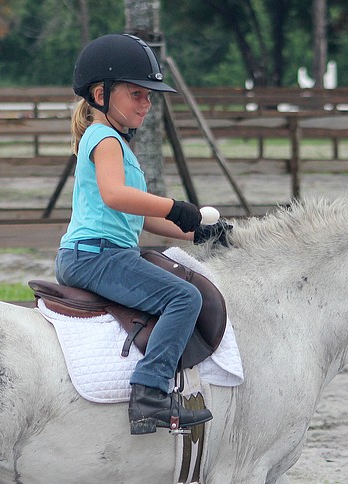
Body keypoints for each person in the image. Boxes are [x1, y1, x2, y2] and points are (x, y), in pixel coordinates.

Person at [57, 33, 230, 435]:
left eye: (149, 96)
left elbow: (142, 219)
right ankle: (150, 393)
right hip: (96, 255)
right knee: (184, 297)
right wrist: (177, 206)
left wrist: (197, 232)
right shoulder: (103, 138)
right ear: (101, 94)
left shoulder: (115, 143)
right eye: (136, 94)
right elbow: (117, 196)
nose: (146, 103)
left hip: (102, 252)